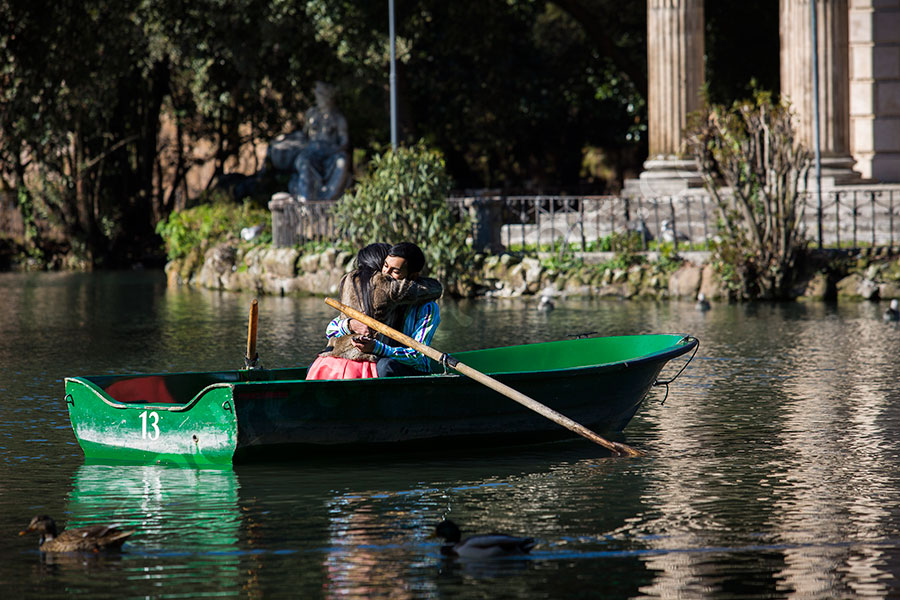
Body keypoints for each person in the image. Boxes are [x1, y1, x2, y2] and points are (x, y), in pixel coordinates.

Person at [305, 242, 442, 380]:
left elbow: (418, 357)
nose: (385, 275)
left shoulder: (425, 306)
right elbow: (331, 330)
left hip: (411, 367)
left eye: (395, 271)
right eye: (385, 266)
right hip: (385, 358)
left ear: (412, 277)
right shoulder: (384, 299)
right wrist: (351, 324)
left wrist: (377, 348)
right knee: (317, 364)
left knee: (384, 366)